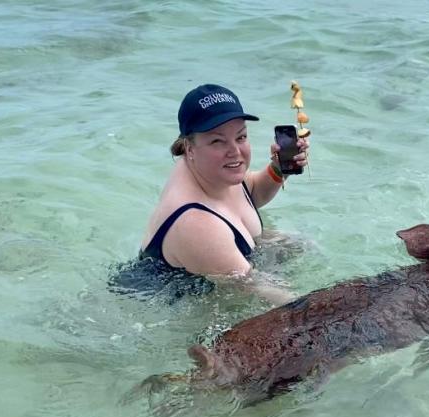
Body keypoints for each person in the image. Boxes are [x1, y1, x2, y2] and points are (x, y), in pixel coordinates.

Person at [112, 84, 309, 303]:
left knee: (299, 242)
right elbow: (263, 290)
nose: (235, 151)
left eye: (241, 137)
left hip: (220, 266)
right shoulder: (195, 223)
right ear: (189, 148)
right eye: (217, 141)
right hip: (155, 308)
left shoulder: (213, 171)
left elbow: (250, 191)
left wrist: (278, 169)